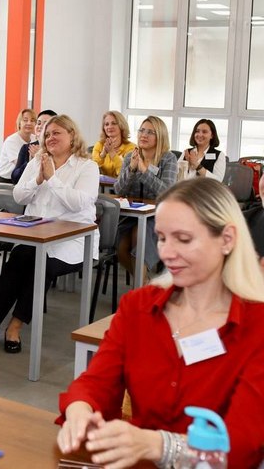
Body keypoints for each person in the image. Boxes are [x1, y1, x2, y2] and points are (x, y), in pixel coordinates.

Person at [56, 179, 264, 469]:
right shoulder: (138, 307)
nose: (166, 253)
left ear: (227, 239)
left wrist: (157, 445)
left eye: (184, 239)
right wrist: (80, 410)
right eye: (162, 238)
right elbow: (95, 383)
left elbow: (244, 444)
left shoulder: (257, 326)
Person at [0, 116, 98, 352]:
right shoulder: (38, 161)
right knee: (17, 261)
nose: (50, 138)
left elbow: (79, 203)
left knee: (42, 266)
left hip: (73, 239)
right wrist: (38, 179)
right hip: (35, 233)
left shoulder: (86, 166)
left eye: (57, 133)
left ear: (72, 136)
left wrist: (52, 179)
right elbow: (19, 196)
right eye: (47, 134)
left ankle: (16, 326)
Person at [115, 116, 177, 278]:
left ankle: (141, 293)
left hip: (158, 215)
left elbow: (167, 192)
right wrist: (132, 170)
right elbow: (119, 190)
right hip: (131, 215)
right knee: (120, 248)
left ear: (160, 136)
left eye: (150, 132)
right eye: (142, 130)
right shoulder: (130, 156)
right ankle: (146, 285)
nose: (144, 135)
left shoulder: (168, 158)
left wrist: (144, 171)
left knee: (139, 237)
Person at [11, 109, 57, 184]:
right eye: (38, 123)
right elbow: (15, 178)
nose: (40, 126)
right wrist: (31, 161)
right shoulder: (27, 148)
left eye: (45, 123)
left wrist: (40, 158)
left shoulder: (57, 148)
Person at [0, 108, 37, 183]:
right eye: (25, 120)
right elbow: (20, 164)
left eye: (32, 120)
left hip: (22, 178)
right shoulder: (11, 141)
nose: (29, 123)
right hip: (5, 180)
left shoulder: (35, 139)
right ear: (19, 123)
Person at [91, 111, 136, 178]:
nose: (109, 127)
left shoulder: (131, 148)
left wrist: (112, 153)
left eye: (114, 123)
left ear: (121, 125)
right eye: (106, 124)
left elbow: (124, 175)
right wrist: (103, 154)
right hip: (102, 186)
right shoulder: (99, 145)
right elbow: (92, 170)